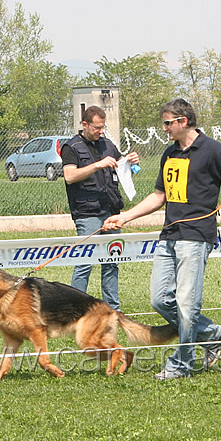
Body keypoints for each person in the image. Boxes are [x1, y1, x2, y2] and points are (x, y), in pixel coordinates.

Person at [103, 98, 221, 380]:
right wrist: (125, 217)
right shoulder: (169, 154)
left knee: (187, 305)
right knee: (160, 300)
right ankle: (212, 334)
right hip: (169, 235)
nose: (164, 128)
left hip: (197, 236)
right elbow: (159, 196)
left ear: (183, 121)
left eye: (167, 123)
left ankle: (182, 364)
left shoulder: (212, 150)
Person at [61, 105, 139, 312]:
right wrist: (97, 165)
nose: (101, 131)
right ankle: (75, 310)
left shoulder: (108, 144)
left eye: (103, 127)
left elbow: (120, 166)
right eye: (97, 127)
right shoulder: (72, 147)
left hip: (111, 210)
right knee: (85, 261)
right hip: (87, 213)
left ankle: (113, 309)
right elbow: (70, 177)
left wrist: (130, 162)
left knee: (112, 260)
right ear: (85, 124)